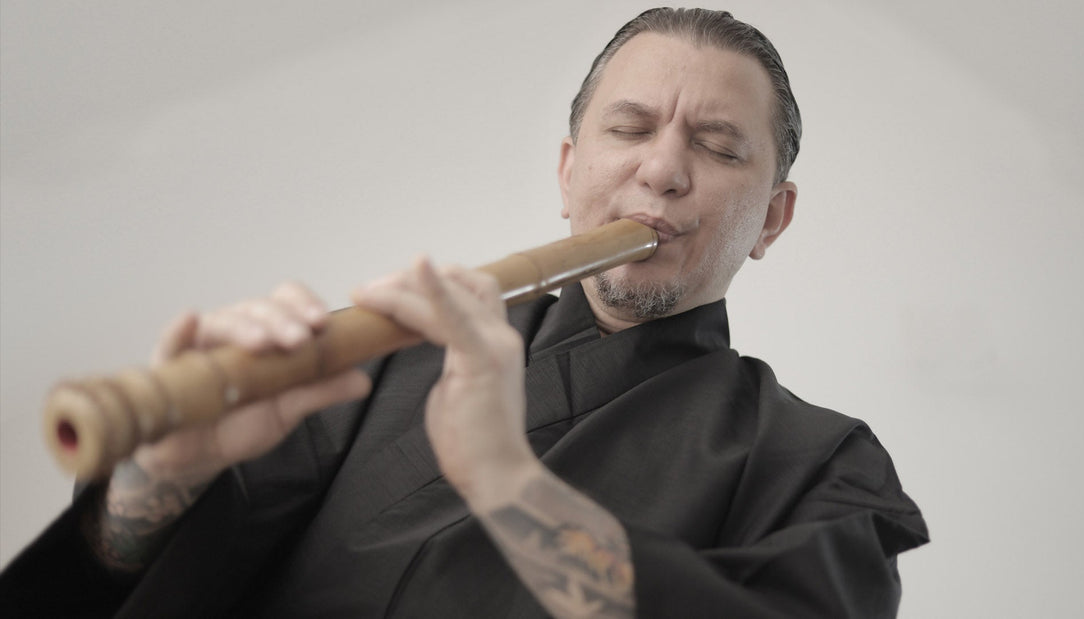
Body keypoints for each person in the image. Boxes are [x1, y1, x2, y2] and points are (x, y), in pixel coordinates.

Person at [0, 8, 928, 618]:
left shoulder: (818, 463)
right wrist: (161, 475)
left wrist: (503, 478)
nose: (664, 169)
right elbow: (132, 572)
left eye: (718, 146)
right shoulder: (374, 362)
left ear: (772, 216)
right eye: (632, 129)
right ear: (571, 172)